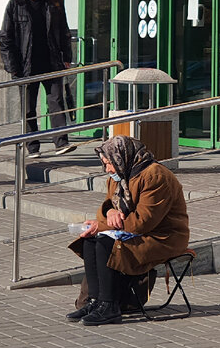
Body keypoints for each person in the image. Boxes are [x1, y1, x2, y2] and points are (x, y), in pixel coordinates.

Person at [67, 136, 190, 326]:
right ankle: (95, 300)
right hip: (134, 231)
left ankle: (109, 305)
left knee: (105, 242)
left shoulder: (155, 176)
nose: (107, 169)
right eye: (105, 164)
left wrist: (104, 225)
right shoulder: (120, 175)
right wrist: (110, 211)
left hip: (163, 237)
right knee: (90, 240)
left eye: (109, 164)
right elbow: (108, 207)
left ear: (122, 157)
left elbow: (143, 222)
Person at [0, 0, 77, 158]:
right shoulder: (15, 4)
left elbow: (64, 31)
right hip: (25, 66)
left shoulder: (55, 2)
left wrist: (67, 56)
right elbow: (5, 38)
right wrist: (13, 68)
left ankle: (61, 143)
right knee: (28, 107)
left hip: (51, 61)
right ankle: (32, 147)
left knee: (56, 102)